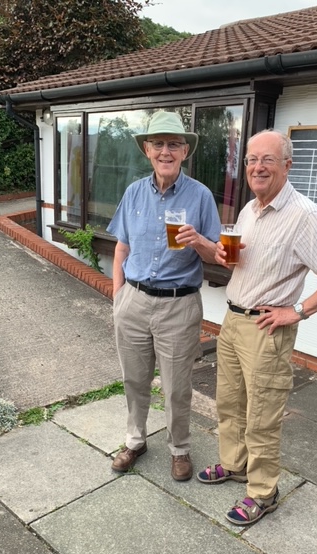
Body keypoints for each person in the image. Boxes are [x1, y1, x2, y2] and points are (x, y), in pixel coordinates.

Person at [197, 129, 317, 524]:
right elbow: (241, 264)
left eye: (268, 159)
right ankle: (234, 464)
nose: (257, 166)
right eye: (251, 159)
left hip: (267, 331)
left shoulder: (304, 215)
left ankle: (263, 491)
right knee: (230, 404)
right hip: (234, 321)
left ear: (288, 165)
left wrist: (298, 311)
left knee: (263, 415)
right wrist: (222, 254)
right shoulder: (250, 210)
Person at [107, 110, 220, 481]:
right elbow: (122, 248)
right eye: (158, 144)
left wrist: (199, 240)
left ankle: (179, 449)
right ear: (147, 151)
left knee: (176, 387)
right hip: (134, 301)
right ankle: (135, 440)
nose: (165, 151)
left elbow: (218, 255)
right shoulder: (134, 192)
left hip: (179, 304)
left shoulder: (200, 196)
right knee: (135, 380)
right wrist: (118, 298)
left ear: (185, 151)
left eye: (173, 144)